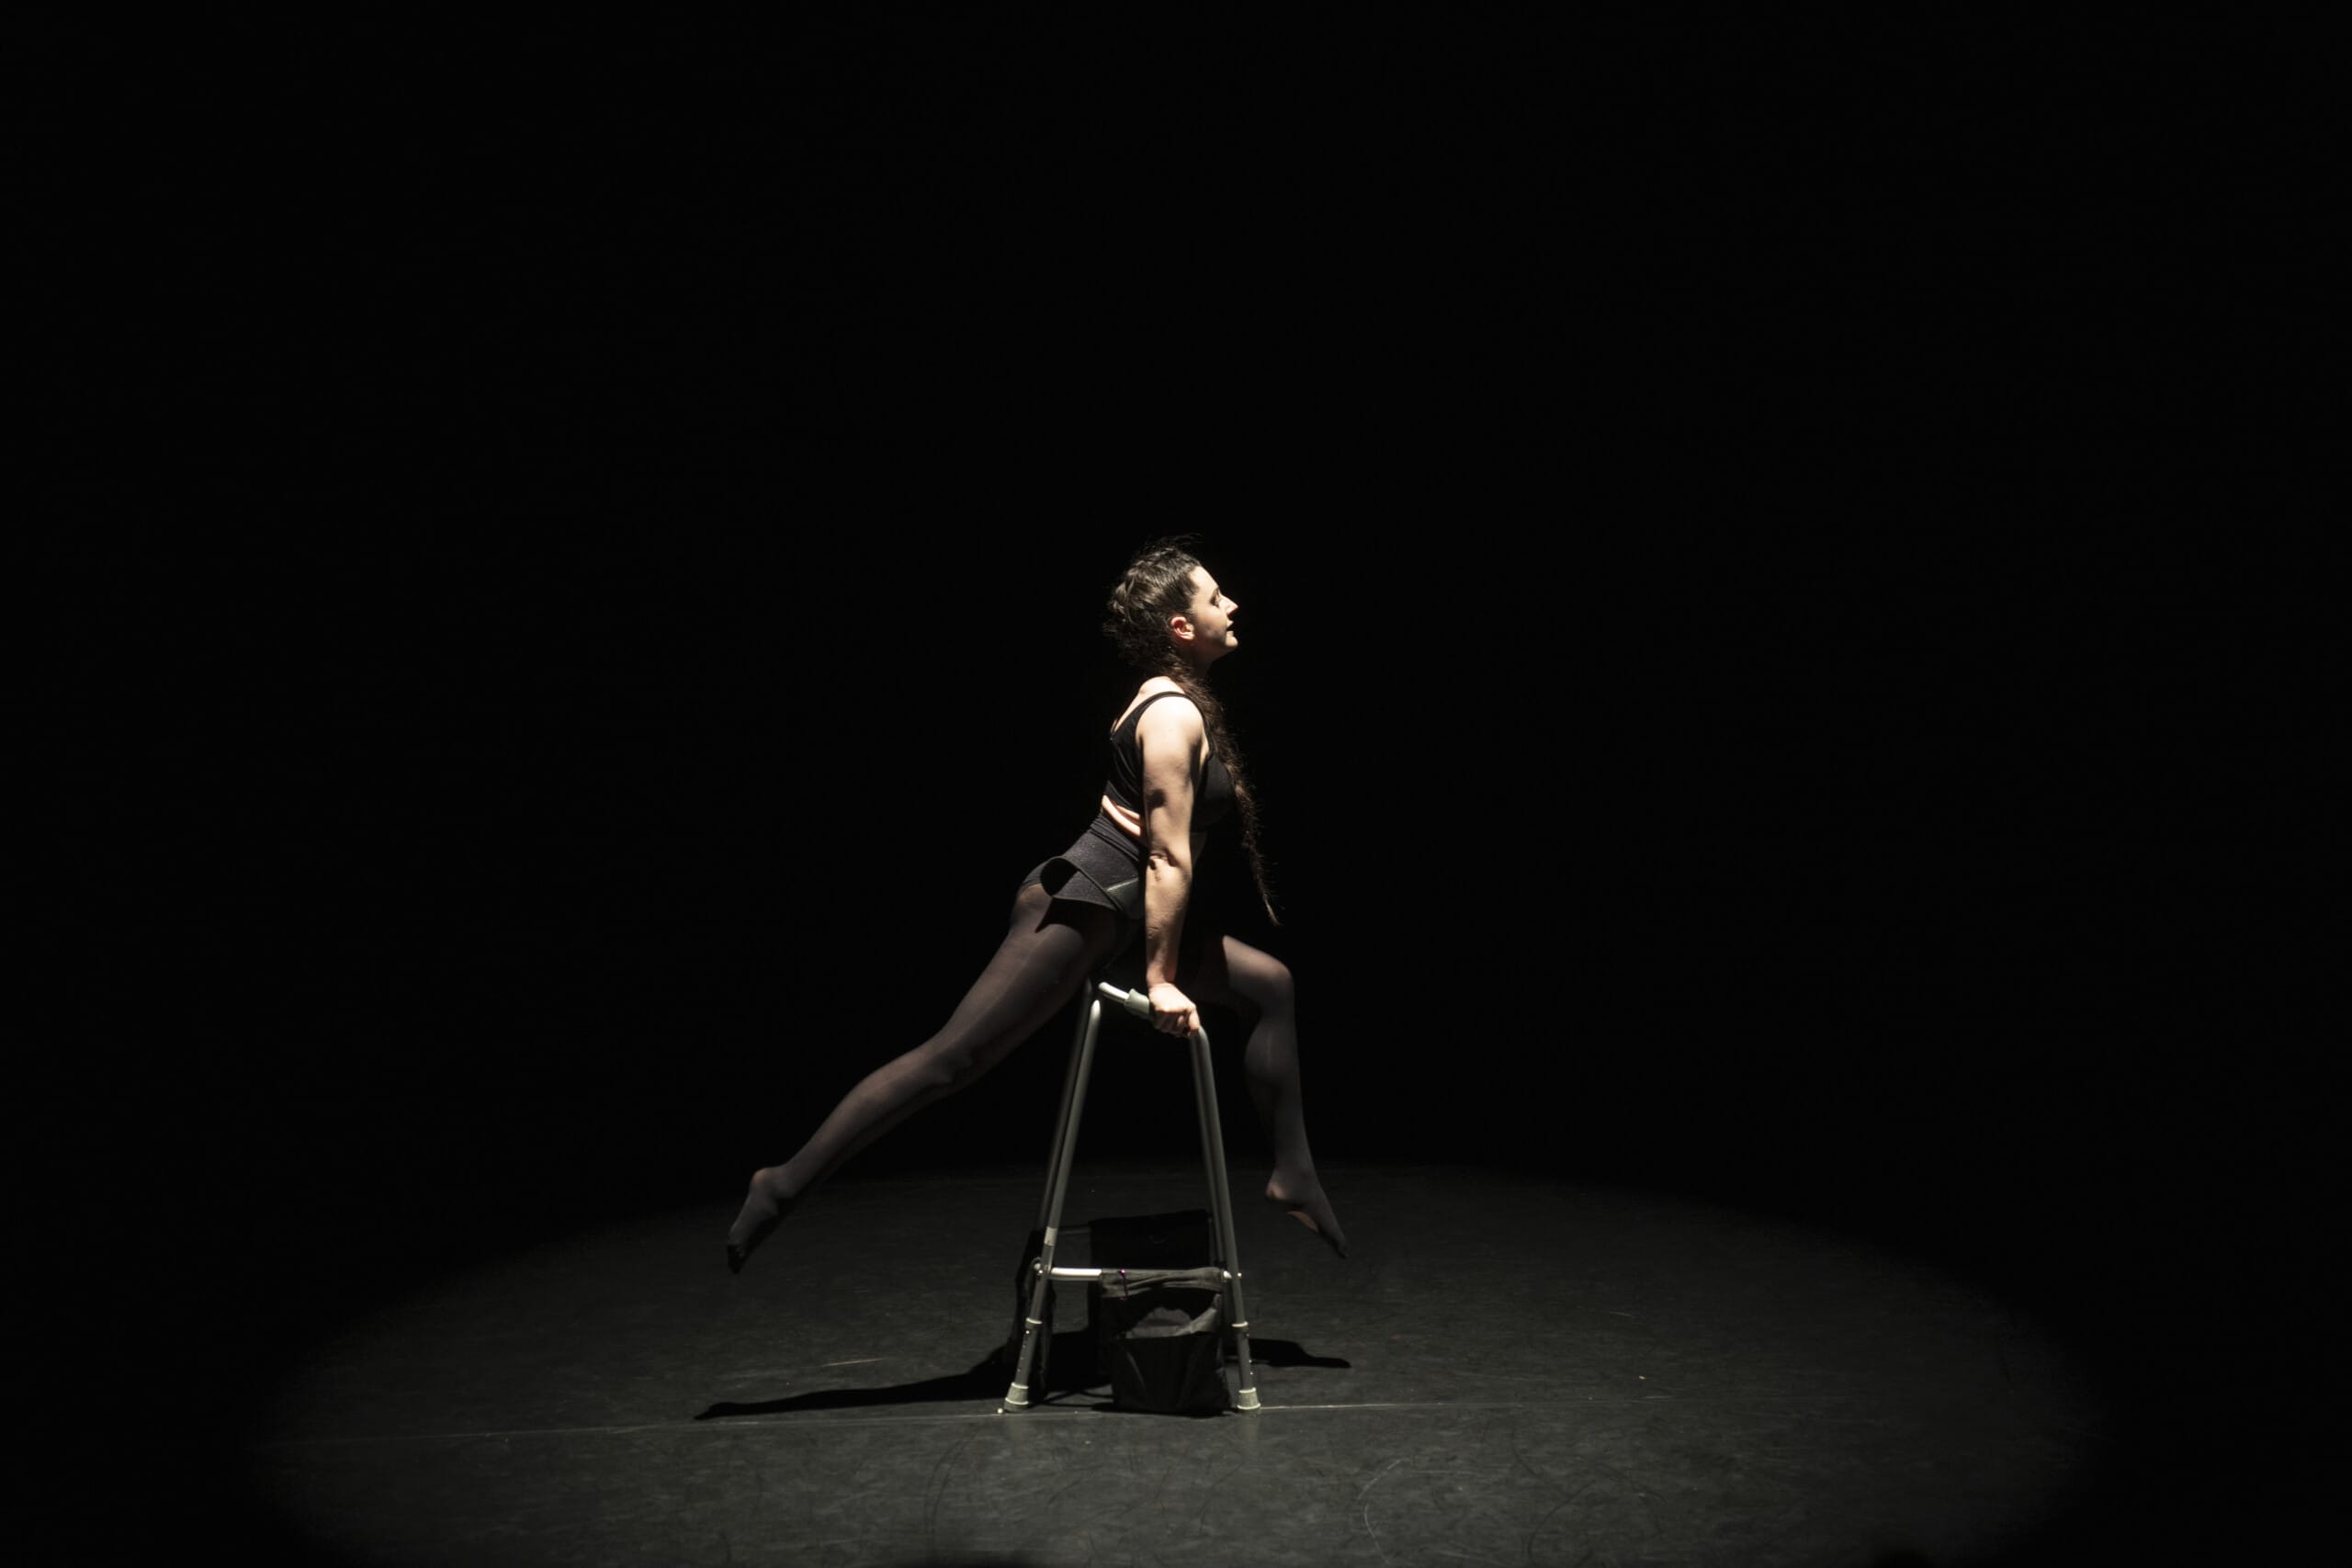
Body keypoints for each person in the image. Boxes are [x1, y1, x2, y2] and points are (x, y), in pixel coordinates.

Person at [725, 537, 1347, 1272]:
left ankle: (1293, 1171)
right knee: (951, 1062)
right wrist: (1159, 978)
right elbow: (1165, 855)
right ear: (1181, 627)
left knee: (1271, 985)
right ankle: (783, 1182)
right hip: (1086, 906)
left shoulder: (1176, 704)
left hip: (1120, 910)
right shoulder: (1171, 715)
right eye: (1215, 597)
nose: (1231, 604)